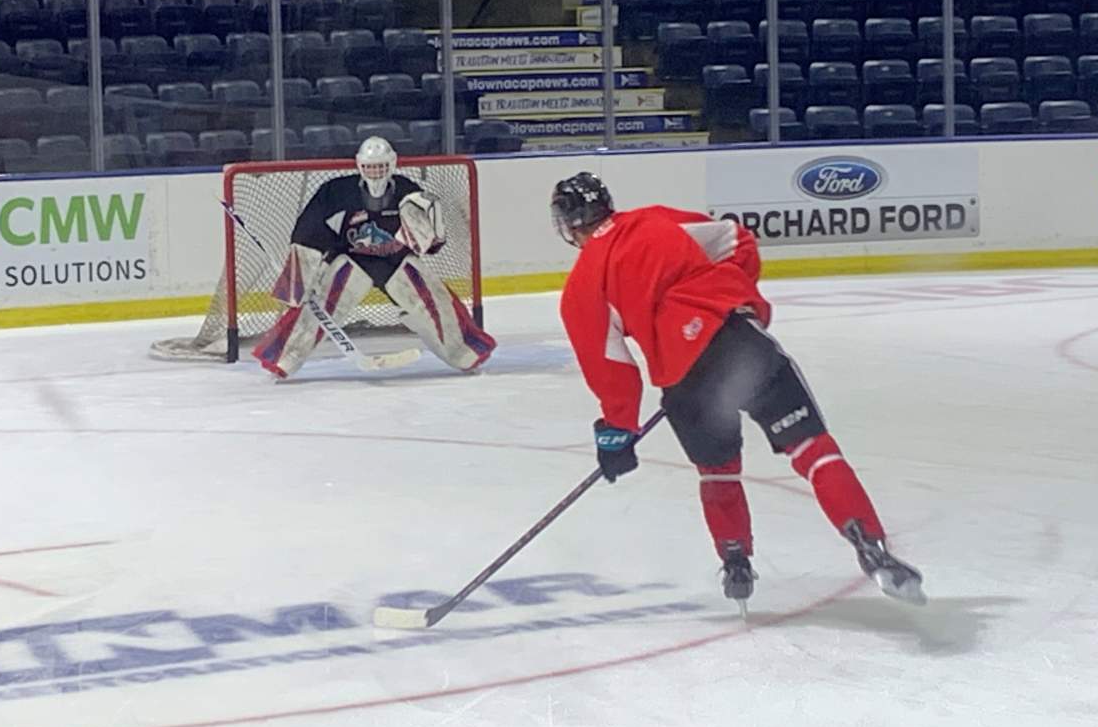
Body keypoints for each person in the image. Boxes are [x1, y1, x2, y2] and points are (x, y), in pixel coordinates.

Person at [552, 171, 925, 608]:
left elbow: (612, 369)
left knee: (718, 469)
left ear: (568, 223)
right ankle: (870, 546)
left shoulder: (581, 287)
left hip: (684, 381)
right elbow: (738, 241)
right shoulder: (658, 221)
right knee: (811, 449)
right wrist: (733, 295)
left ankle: (736, 562)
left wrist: (617, 433)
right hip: (740, 346)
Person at [254, 137, 496, 377]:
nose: (375, 172)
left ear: (392, 164)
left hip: (396, 260)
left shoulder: (407, 191)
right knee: (323, 304)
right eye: (370, 167)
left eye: (380, 166)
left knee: (432, 298)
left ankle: (465, 353)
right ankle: (284, 358)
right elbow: (308, 234)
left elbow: (428, 245)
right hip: (351, 260)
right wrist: (301, 279)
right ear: (359, 165)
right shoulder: (336, 192)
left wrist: (434, 236)